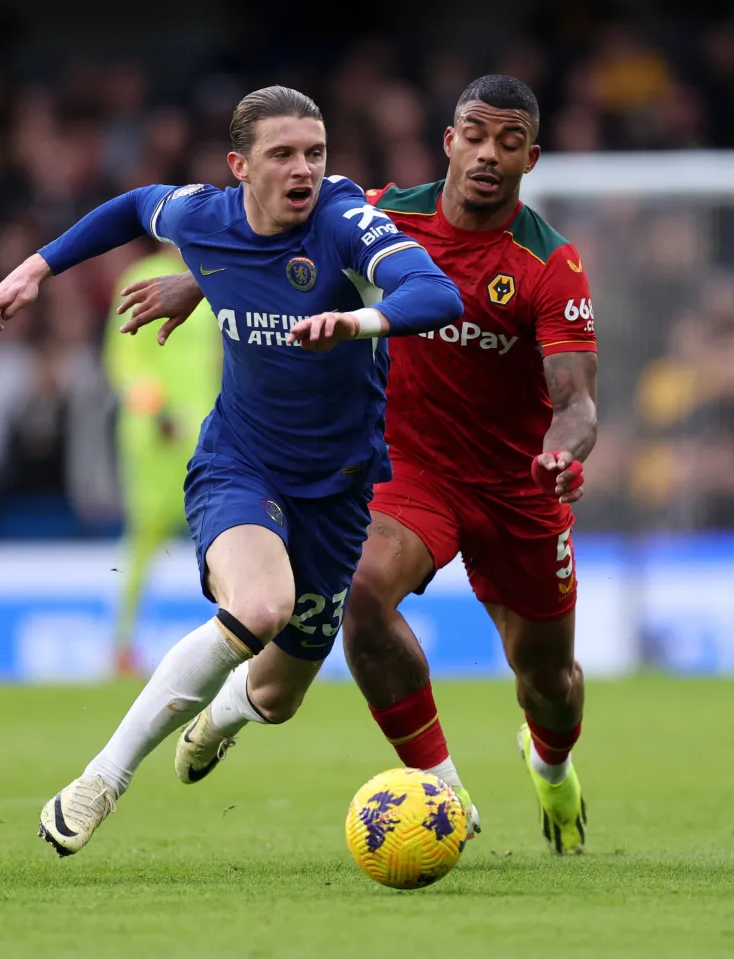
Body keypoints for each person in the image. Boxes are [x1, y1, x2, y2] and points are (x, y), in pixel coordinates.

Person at [0, 85, 467, 857]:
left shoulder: (344, 222)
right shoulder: (204, 218)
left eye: (315, 153)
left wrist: (357, 318)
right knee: (262, 603)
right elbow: (136, 205)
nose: (303, 169)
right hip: (241, 461)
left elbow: (436, 292)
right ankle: (100, 778)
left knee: (277, 694)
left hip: (339, 492)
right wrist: (36, 269)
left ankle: (220, 716)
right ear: (240, 166)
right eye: (282, 155)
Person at [120, 76, 598, 855]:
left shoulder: (550, 265)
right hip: (410, 467)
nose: (487, 154)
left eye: (508, 143)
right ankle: (441, 791)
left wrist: (562, 451)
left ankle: (551, 766)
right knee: (364, 596)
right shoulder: (381, 213)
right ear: (449, 142)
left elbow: (577, 401)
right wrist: (200, 281)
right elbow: (272, 239)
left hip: (517, 483)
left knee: (549, 679)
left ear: (531, 158)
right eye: (474, 135)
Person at [103, 245, 221, 677]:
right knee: (145, 538)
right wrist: (157, 412)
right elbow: (124, 360)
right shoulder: (143, 276)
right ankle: (121, 646)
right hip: (156, 438)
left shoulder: (213, 274)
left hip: (207, 431)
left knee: (224, 534)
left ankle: (240, 639)